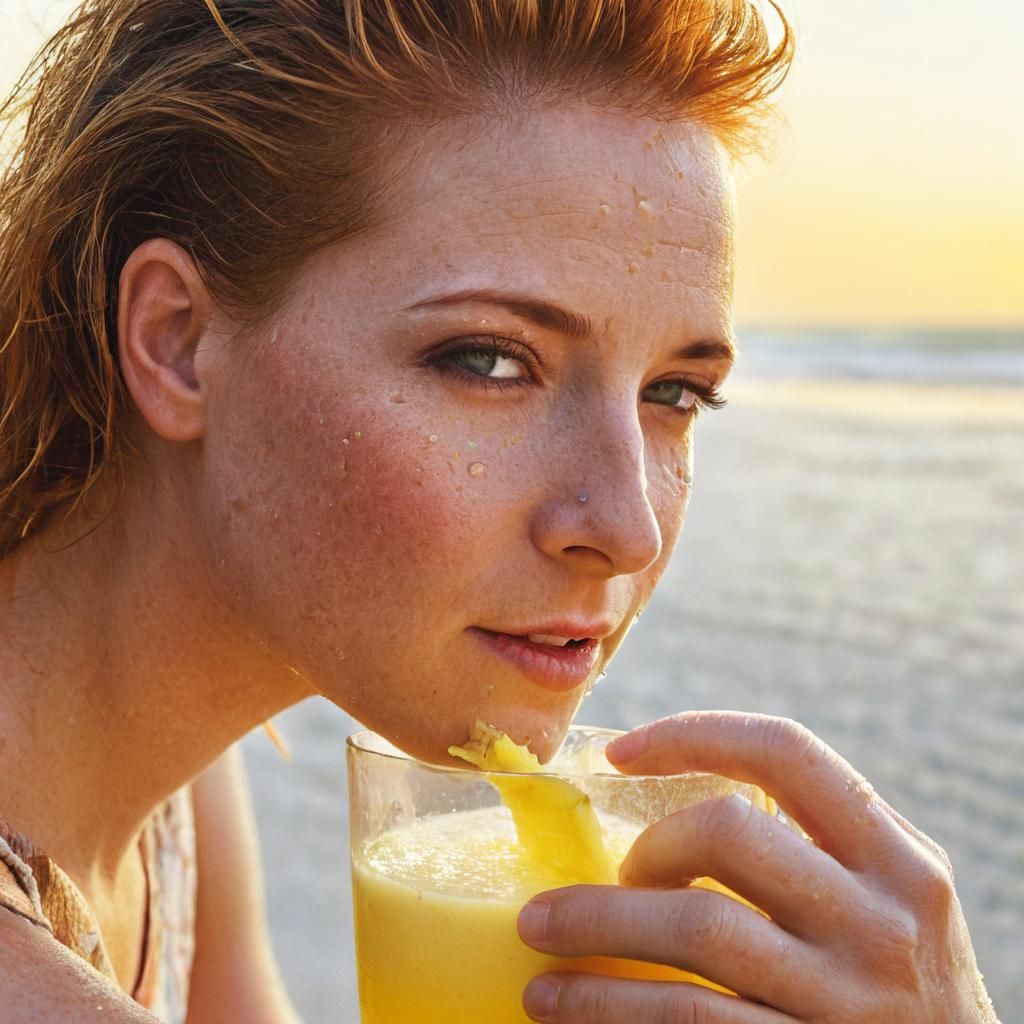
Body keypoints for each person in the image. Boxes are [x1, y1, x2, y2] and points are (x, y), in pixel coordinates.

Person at [0, 1, 999, 1022]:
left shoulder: (167, 768)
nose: (628, 527)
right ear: (175, 339)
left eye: (673, 394)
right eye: (489, 362)